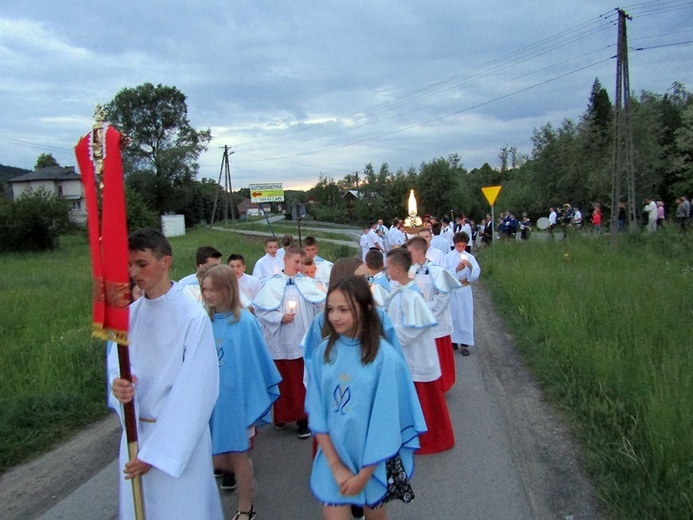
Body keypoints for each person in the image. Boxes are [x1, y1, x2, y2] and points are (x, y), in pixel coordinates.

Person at [110, 229, 223, 520]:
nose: (134, 272)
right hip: (137, 433)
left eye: (142, 263)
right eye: (130, 264)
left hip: (178, 443)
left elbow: (197, 390)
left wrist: (157, 453)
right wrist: (120, 386)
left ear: (165, 261)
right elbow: (117, 366)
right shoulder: (128, 318)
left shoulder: (192, 318)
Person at [305, 276, 427, 519]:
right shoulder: (323, 352)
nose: (335, 317)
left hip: (372, 459)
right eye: (330, 310)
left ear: (366, 309)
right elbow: (318, 412)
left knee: (375, 514)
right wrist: (336, 465)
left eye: (344, 310)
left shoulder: (385, 358)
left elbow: (386, 423)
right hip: (333, 455)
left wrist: (364, 475)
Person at [201, 265, 282, 520]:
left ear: (228, 289)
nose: (209, 294)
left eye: (214, 289)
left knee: (238, 454)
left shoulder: (245, 321)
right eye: (205, 289)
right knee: (213, 458)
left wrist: (248, 397)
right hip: (210, 401)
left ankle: (245, 507)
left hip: (236, 400)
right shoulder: (203, 321)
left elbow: (256, 362)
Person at [385, 248, 455, 455]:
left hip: (417, 357)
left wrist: (386, 334)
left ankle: (433, 440)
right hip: (406, 357)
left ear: (397, 269)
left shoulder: (412, 296)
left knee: (425, 402)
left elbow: (412, 329)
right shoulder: (399, 291)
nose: (386, 269)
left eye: (388, 265)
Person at [253, 245, 326, 438]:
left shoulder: (307, 282)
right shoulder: (272, 284)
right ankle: (282, 416)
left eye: (301, 262)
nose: (299, 266)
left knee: (301, 380)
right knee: (284, 379)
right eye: (296, 262)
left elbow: (321, 305)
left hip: (301, 338)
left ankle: (303, 420)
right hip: (280, 339)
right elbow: (261, 310)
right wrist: (279, 317)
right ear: (285, 260)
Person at [406, 236, 461, 392]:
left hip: (435, 323)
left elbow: (443, 298)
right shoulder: (410, 271)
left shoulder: (437, 272)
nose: (407, 255)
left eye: (410, 252)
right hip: (416, 321)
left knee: (438, 357)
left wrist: (424, 311)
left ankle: (440, 387)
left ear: (419, 251)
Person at [443, 232, 481, 357]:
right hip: (453, 289)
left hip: (464, 290)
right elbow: (444, 274)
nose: (461, 248)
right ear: (455, 244)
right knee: (453, 315)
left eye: (463, 246)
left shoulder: (469, 257)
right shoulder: (448, 257)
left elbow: (476, 271)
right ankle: (454, 340)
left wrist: (470, 267)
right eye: (459, 246)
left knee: (465, 316)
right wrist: (456, 270)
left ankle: (465, 343)